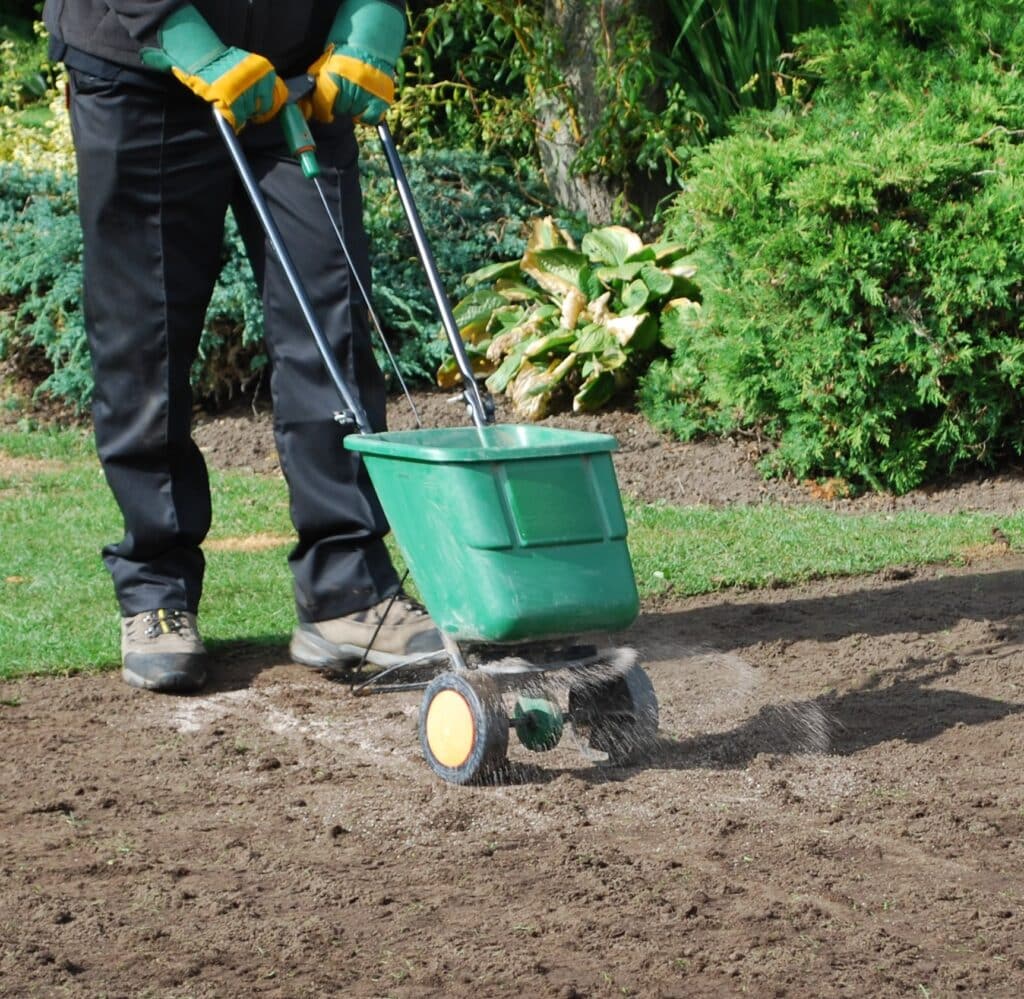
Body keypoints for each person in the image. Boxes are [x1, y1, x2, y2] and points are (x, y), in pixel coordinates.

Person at [41, 0, 444, 693]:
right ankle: (155, 588)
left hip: (300, 78)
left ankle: (347, 590)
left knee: (333, 320)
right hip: (145, 73)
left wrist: (372, 15)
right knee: (146, 334)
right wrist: (185, 37)